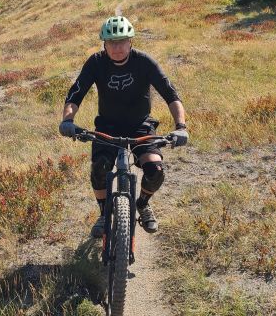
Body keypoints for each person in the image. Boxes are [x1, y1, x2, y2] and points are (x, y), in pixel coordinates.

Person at [58, 16, 188, 237]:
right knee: (99, 167)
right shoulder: (96, 63)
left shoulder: (144, 62)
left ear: (131, 42)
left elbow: (171, 94)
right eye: (112, 43)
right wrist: (68, 120)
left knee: (155, 170)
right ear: (104, 44)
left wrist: (181, 126)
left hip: (140, 125)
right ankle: (103, 213)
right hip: (107, 126)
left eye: (122, 42)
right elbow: (75, 94)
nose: (117, 48)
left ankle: (143, 204)